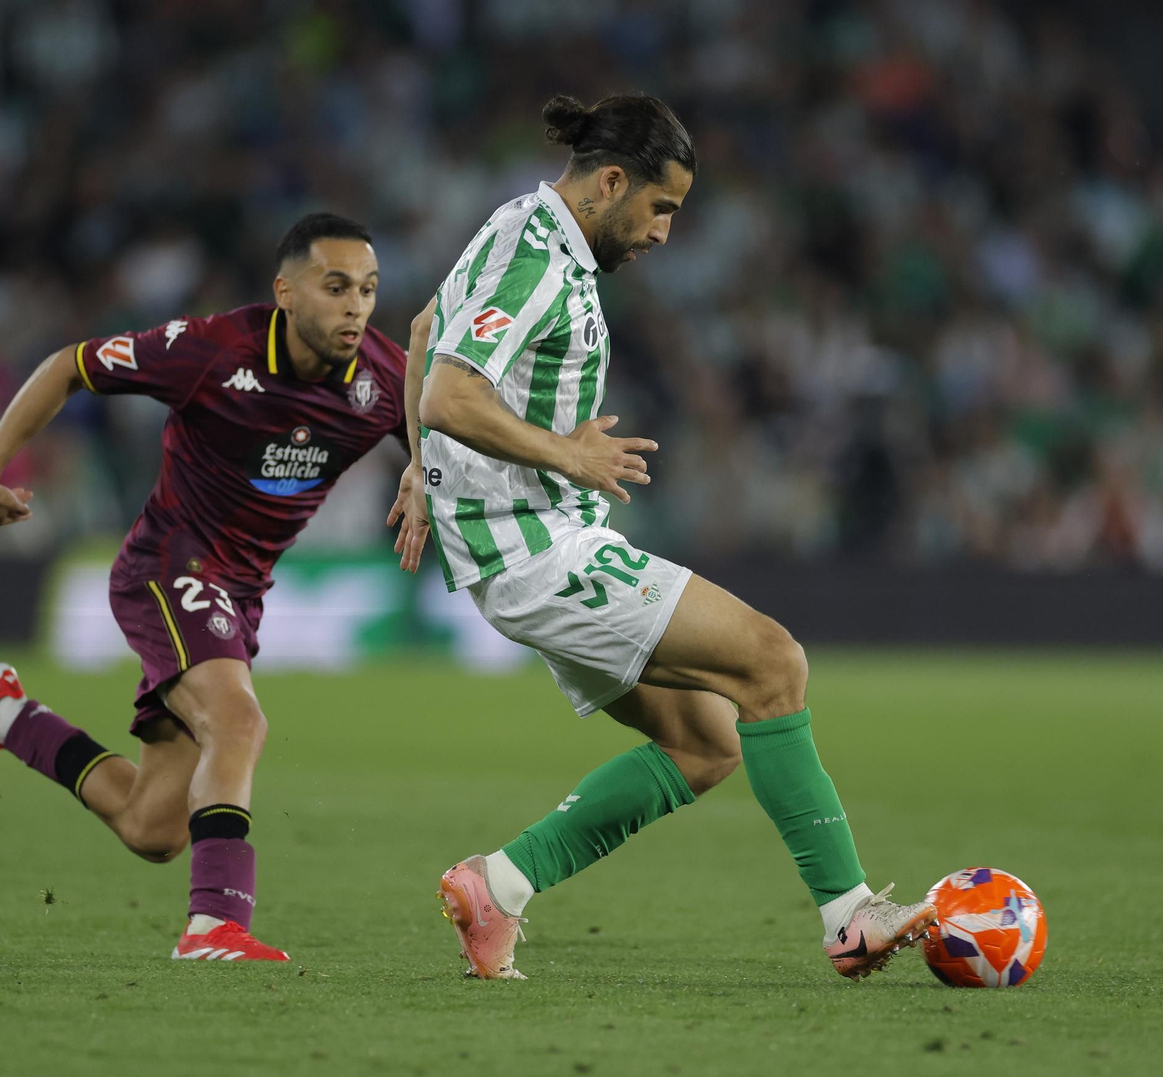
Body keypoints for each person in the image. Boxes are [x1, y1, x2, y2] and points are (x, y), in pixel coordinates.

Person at [388, 94, 936, 981]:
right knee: (773, 660)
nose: (664, 233)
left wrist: (420, 470)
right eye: (661, 207)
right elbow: (448, 393)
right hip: (537, 548)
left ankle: (500, 886)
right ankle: (850, 915)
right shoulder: (537, 259)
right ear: (611, 182)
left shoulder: (515, 222)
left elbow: (421, 332)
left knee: (707, 744)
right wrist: (560, 451)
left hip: (523, 548)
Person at [0, 213, 411, 962]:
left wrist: (426, 465)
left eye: (368, 289)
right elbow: (70, 364)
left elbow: (438, 424)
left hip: (241, 593)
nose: (355, 306)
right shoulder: (212, 350)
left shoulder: (386, 380)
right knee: (239, 723)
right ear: (285, 293)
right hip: (169, 566)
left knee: (151, 826)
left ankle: (8, 716)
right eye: (334, 288)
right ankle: (214, 923)